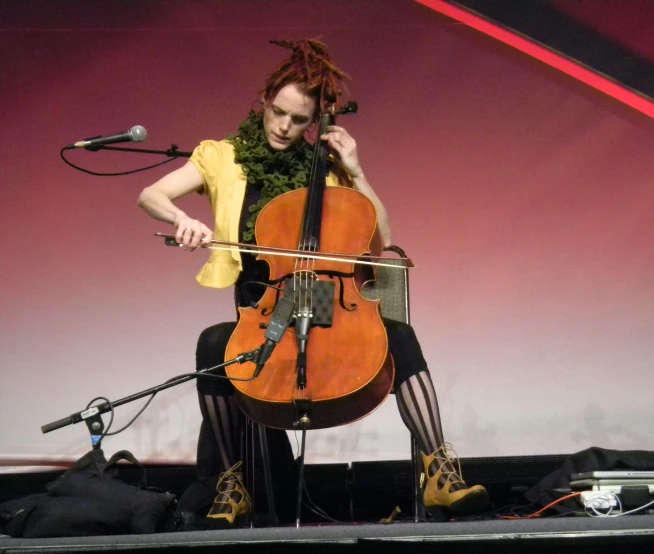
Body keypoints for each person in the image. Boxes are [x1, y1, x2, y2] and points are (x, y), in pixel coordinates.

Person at [138, 39, 488, 524]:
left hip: (327, 305)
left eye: (299, 120)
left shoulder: (324, 169)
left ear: (316, 121)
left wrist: (356, 170)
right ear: (263, 101)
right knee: (213, 346)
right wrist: (182, 220)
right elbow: (151, 194)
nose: (284, 127)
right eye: (278, 112)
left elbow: (380, 239)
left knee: (400, 337)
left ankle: (441, 474)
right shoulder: (222, 156)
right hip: (264, 312)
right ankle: (233, 482)